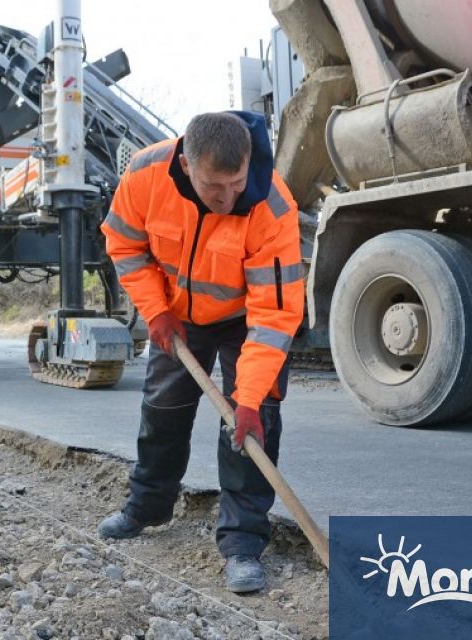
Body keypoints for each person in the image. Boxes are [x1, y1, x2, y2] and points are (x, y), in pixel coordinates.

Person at [97, 111, 304, 594]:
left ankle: (243, 543)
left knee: (250, 427)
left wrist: (249, 400)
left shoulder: (271, 206)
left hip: (246, 320)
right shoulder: (146, 174)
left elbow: (273, 317)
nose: (229, 198)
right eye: (216, 186)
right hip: (177, 313)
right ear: (186, 165)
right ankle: (146, 508)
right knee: (162, 411)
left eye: (237, 183)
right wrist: (155, 310)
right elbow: (124, 245)